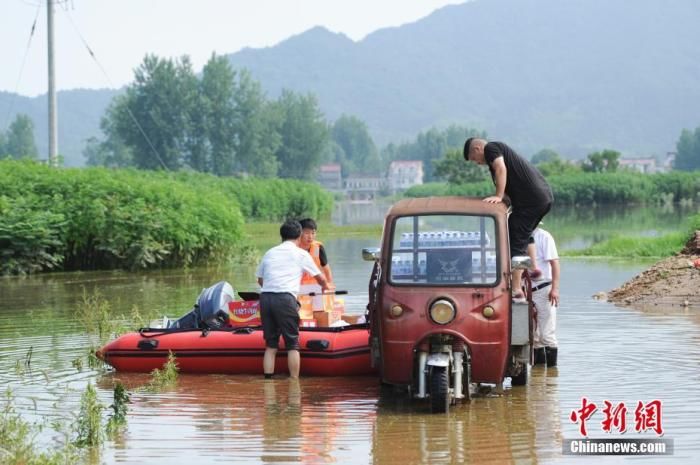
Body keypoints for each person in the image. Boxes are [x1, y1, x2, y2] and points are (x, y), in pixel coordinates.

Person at [464, 138, 553, 303]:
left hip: (531, 201)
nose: (477, 163)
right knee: (521, 231)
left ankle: (517, 288)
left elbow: (501, 169)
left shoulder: (491, 148)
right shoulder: (499, 152)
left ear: (477, 148)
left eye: (474, 159)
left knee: (517, 240)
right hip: (542, 198)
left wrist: (498, 196)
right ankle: (533, 268)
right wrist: (505, 198)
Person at [256, 220, 329, 379]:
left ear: (281, 235)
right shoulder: (301, 254)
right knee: (292, 344)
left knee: (271, 345)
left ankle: (268, 380)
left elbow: (260, 280)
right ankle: (294, 382)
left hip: (266, 298)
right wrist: (324, 287)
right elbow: (321, 278)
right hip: (285, 299)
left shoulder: (270, 252)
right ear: (299, 235)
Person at [530, 225, 560, 367]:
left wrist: (555, 289)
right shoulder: (520, 234)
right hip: (527, 289)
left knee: (546, 334)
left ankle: (551, 376)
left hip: (543, 287)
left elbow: (555, 263)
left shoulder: (544, 236)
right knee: (534, 337)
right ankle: (539, 377)